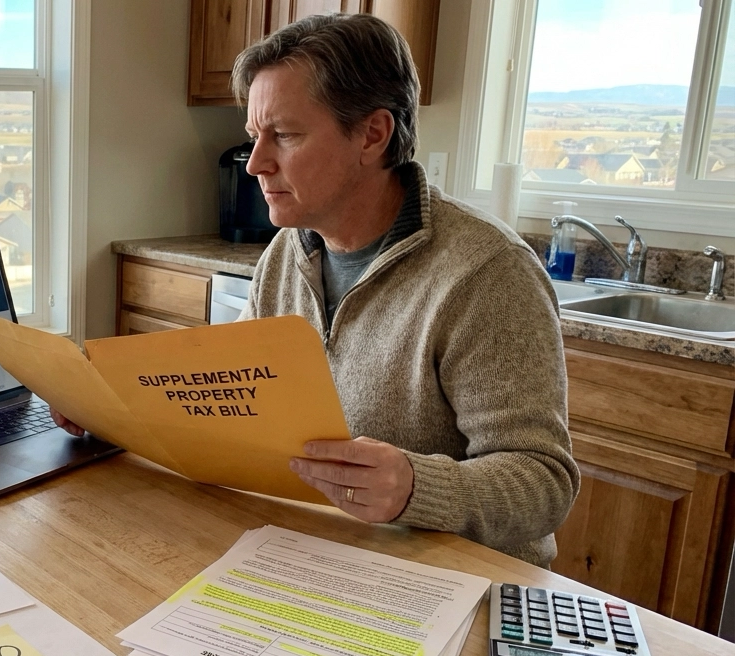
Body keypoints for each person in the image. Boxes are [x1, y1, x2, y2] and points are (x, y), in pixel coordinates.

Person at [54, 13, 579, 568]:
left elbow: (544, 482)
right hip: (329, 554)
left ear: (373, 134)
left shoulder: (486, 273)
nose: (256, 163)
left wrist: (415, 487)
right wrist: (112, 412)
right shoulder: (288, 252)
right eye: (256, 136)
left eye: (285, 135)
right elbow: (227, 404)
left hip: (461, 581)